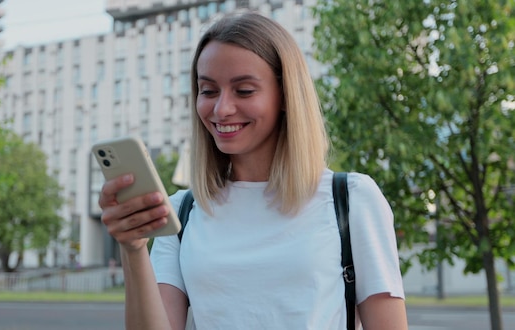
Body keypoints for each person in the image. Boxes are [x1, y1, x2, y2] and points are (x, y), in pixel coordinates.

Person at [99, 11, 408, 330]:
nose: (221, 109)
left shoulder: (352, 199)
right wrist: (133, 248)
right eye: (208, 90)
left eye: (244, 90)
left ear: (286, 95)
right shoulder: (183, 213)